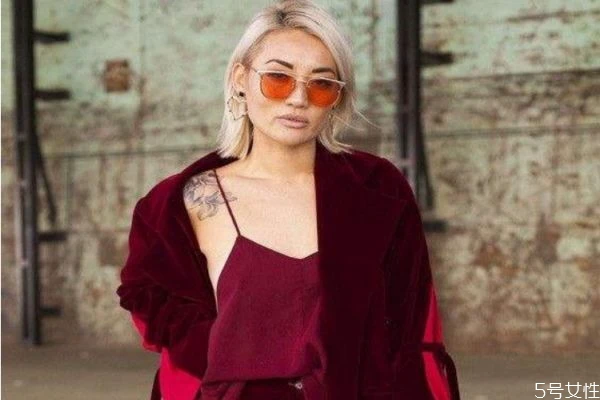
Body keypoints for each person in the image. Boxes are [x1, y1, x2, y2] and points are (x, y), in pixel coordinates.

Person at [116, 1, 460, 399]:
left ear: (336, 97)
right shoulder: (185, 203)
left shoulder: (378, 191)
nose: (298, 98)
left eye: (321, 84)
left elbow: (413, 328)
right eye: (278, 78)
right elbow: (165, 322)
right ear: (241, 79)